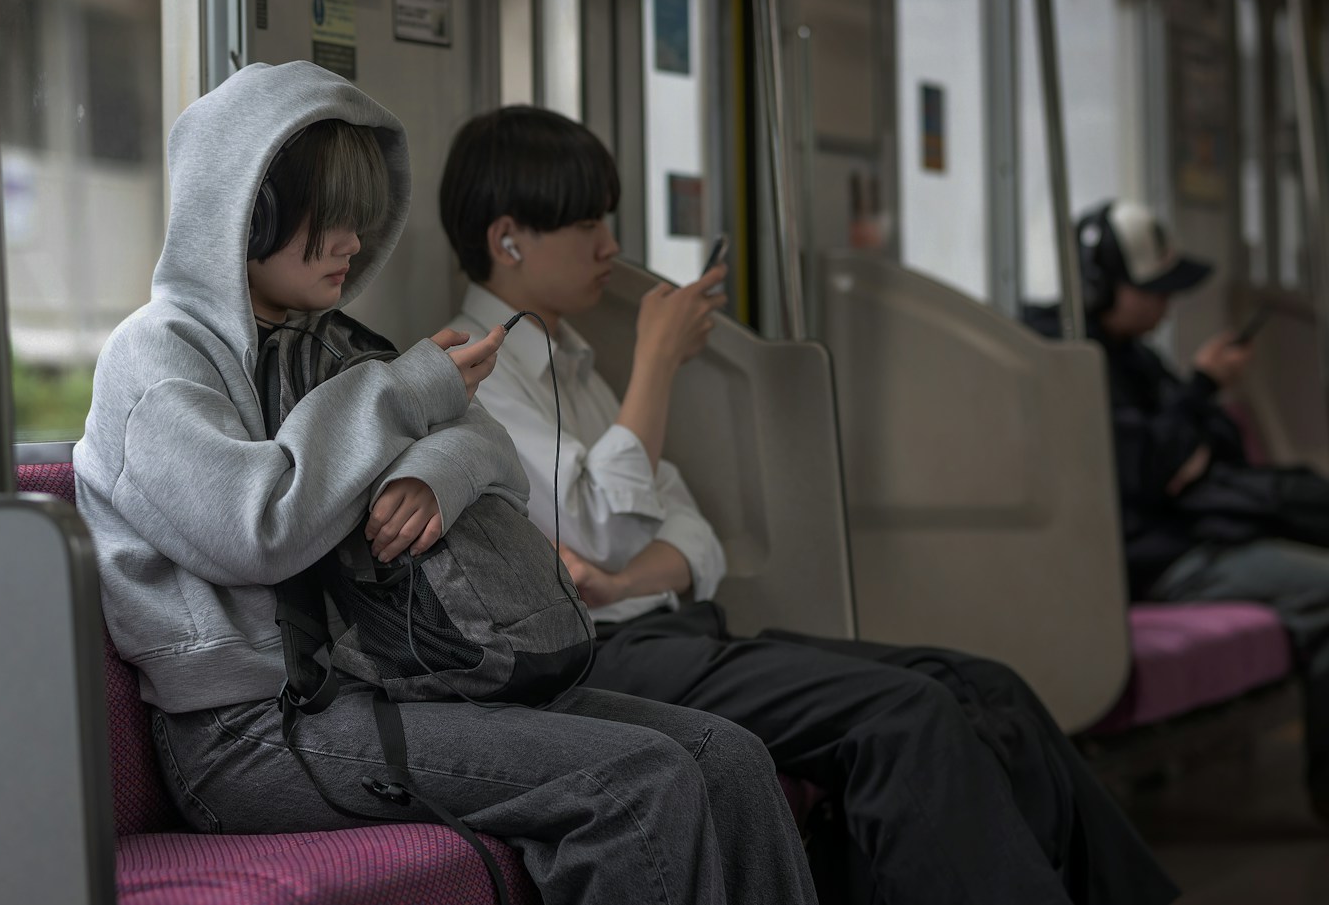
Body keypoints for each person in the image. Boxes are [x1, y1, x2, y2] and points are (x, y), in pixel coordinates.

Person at [72, 62, 819, 905]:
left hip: (380, 687)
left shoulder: (326, 343)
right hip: (247, 734)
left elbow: (490, 448)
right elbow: (256, 528)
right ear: (252, 211)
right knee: (635, 783)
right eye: (332, 217)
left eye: (361, 218)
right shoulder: (156, 359)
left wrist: (432, 473)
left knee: (730, 757)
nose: (354, 242)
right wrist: (400, 398)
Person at [438, 105, 1180, 905]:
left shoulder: (573, 366)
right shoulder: (472, 375)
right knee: (907, 714)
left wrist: (623, 578)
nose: (610, 247)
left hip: (667, 626)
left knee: (984, 685)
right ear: (508, 239)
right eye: (587, 223)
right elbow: (612, 525)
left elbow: (691, 533)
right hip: (602, 656)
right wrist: (657, 361)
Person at [1028, 198, 1329, 821]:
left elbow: (1211, 443)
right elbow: (1146, 469)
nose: (1166, 305)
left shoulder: (1136, 356)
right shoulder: (1070, 364)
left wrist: (1185, 424)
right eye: (1152, 290)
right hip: (1159, 559)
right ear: (1100, 285)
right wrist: (1199, 392)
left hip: (1193, 536)